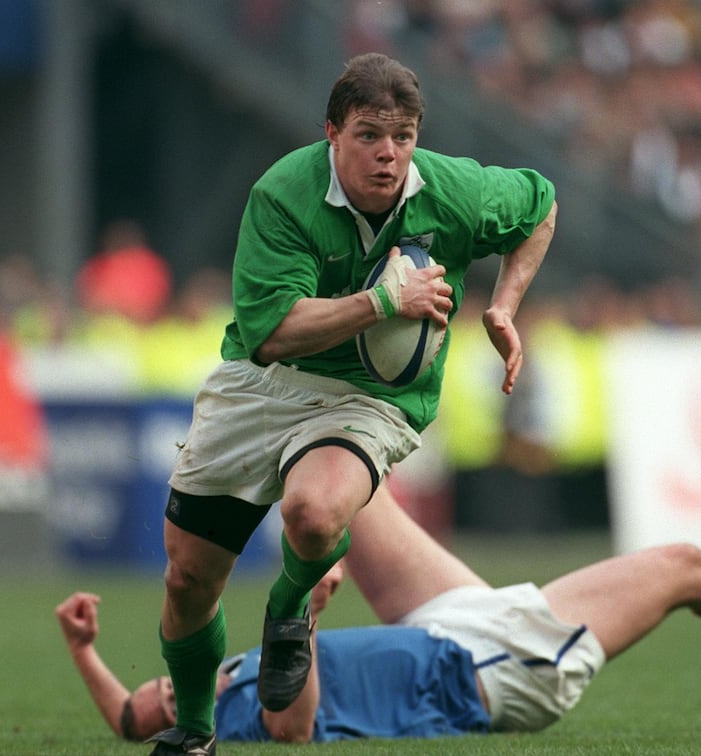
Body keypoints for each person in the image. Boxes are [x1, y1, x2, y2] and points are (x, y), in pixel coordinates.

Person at [148, 52, 557, 754]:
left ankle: (288, 610)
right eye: (369, 135)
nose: (389, 154)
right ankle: (193, 731)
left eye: (403, 136)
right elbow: (272, 336)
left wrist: (505, 305)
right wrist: (383, 302)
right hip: (262, 383)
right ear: (331, 132)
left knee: (313, 511)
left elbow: (541, 203)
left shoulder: (452, 191)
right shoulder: (283, 193)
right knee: (188, 578)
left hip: (371, 400)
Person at [58, 486, 701, 746]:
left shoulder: (200, 691)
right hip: (491, 672)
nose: (167, 693)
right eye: (176, 700)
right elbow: (293, 726)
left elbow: (127, 718)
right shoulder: (248, 708)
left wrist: (83, 651)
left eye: (166, 692)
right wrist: (301, 617)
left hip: (439, 625)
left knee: (341, 490)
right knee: (686, 568)